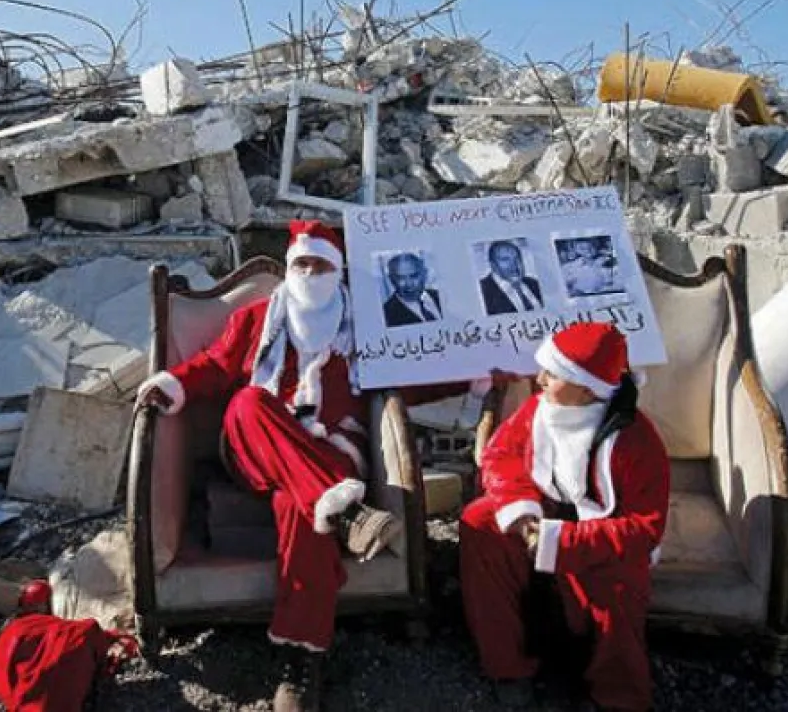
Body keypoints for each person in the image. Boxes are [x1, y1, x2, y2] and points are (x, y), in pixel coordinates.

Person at [136, 220, 483, 712]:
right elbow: (216, 365)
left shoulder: (366, 325)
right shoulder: (258, 319)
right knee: (248, 404)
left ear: (337, 271)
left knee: (300, 510)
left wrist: (475, 372)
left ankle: (300, 661)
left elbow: (405, 375)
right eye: (301, 262)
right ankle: (349, 514)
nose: (309, 271)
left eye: (320, 264)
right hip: (257, 448)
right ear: (290, 268)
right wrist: (172, 383)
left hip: (333, 455)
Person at [459, 322, 669, 711]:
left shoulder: (637, 440)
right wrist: (522, 514)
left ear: (587, 387)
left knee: (617, 594)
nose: (539, 380)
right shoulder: (540, 409)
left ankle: (618, 696)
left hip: (599, 532)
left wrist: (562, 542)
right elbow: (500, 457)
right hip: (544, 512)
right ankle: (508, 664)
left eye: (552, 374)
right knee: (481, 522)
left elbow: (645, 528)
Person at [480, 240, 546, 316]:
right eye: (505, 259)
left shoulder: (535, 283)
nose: (514, 265)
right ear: (493, 265)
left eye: (517, 259)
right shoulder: (483, 292)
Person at [382, 252, 444, 327]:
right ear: (391, 279)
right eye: (401, 278)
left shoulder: (440, 295)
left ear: (424, 274)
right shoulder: (386, 314)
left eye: (414, 276)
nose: (409, 283)